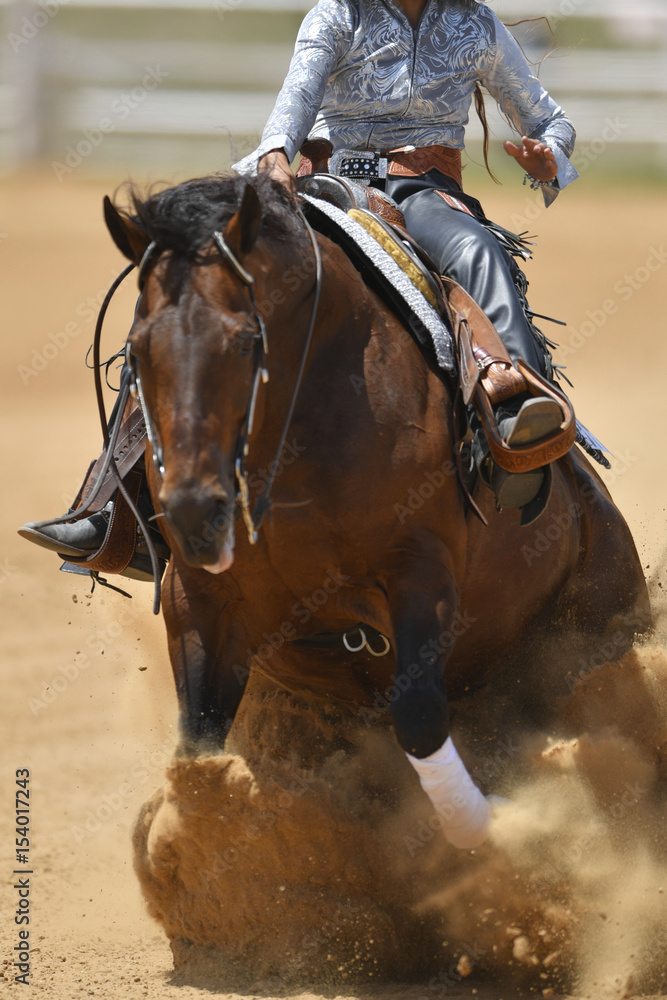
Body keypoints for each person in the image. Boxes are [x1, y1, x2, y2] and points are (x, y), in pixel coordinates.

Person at [19, 0, 578, 571]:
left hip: (421, 192)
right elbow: (297, 96)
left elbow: (552, 122)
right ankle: (119, 502)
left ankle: (519, 414)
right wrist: (278, 153)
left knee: (478, 251)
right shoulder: (336, 15)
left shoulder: (475, 24)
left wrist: (549, 156)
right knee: (180, 267)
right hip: (322, 179)